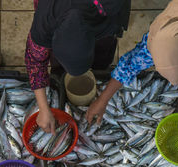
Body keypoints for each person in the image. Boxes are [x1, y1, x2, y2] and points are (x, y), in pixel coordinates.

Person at [25, 0, 131, 134]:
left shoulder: (110, 5)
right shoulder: (45, 21)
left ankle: (99, 64)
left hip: (100, 10)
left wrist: (103, 99)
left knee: (106, 45)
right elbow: (35, 59)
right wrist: (43, 108)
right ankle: (60, 70)